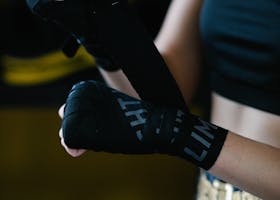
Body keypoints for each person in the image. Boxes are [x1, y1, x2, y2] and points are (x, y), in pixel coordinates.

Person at [28, 0, 280, 199]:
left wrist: (184, 134)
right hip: (210, 190)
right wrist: (97, 21)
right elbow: (163, 95)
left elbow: (170, 124)